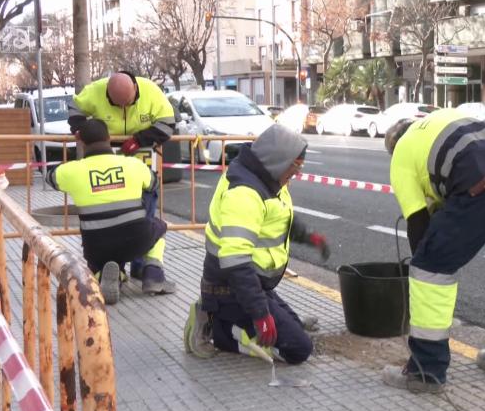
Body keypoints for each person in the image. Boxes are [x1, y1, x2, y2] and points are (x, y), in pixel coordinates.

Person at [381, 109, 485, 393]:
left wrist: (427, 261)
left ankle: (425, 371)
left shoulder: (401, 154)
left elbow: (418, 223)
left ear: (393, 147)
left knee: (428, 268)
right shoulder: (442, 120)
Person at [184, 124, 330, 363]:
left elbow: (277, 219)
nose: (295, 175)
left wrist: (309, 237)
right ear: (278, 162)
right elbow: (236, 262)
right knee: (298, 349)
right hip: (229, 287)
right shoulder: (244, 194)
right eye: (294, 168)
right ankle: (216, 328)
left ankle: (221, 314)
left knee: (294, 328)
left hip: (252, 284)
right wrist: (260, 314)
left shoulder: (269, 179)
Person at [46, 119, 175, 304]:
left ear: (80, 141)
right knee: (159, 227)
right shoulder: (132, 164)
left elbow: (50, 177)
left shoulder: (72, 171)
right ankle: (153, 275)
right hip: (137, 240)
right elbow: (153, 183)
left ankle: (107, 276)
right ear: (108, 138)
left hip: (97, 246)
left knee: (97, 262)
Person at [68, 72, 177, 284]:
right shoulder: (95, 90)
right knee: (119, 216)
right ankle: (120, 268)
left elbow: (167, 123)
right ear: (107, 93)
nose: (123, 108)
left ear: (135, 89)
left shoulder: (151, 91)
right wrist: (82, 130)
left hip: (142, 153)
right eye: (116, 104)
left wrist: (140, 139)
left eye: (127, 103)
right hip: (108, 155)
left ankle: (136, 268)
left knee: (144, 210)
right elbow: (75, 109)